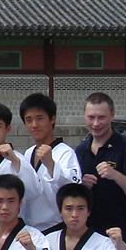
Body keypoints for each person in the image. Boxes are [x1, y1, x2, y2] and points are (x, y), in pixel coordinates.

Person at [76, 92, 126, 249]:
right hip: (90, 237)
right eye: (91, 117)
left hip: (124, 237)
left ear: (112, 115)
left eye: (101, 117)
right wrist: (83, 187)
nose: (96, 123)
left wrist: (115, 175)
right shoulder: (80, 151)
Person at [18, 93, 82, 231]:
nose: (34, 125)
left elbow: (74, 190)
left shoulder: (65, 153)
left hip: (56, 227)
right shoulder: (28, 153)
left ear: (52, 119)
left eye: (39, 118)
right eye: (29, 120)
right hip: (30, 229)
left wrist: (51, 165)